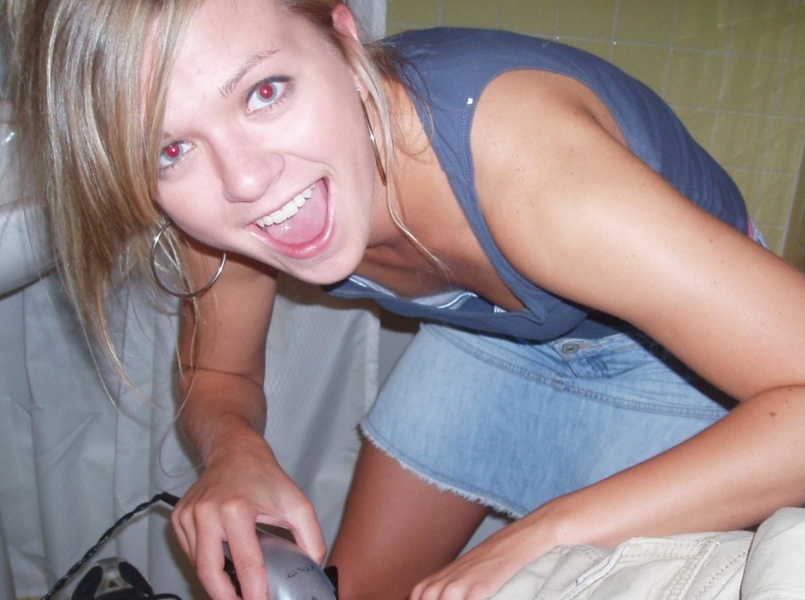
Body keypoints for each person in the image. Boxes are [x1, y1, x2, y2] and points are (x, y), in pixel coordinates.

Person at [10, 0, 805, 599]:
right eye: (169, 148)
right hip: (503, 338)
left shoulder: (534, 174)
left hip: (677, 355)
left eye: (264, 91)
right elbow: (216, 375)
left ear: (343, 38)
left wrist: (542, 538)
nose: (245, 181)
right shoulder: (221, 212)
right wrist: (232, 454)